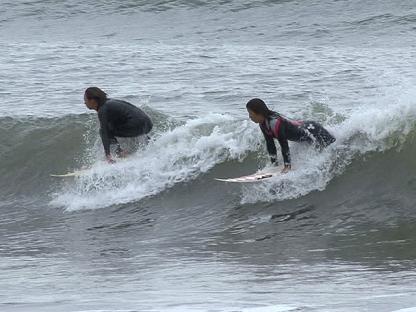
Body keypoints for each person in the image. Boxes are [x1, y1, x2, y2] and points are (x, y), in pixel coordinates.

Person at [246, 98, 335, 173]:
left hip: (313, 130)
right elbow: (270, 145)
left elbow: (284, 145)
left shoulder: (275, 123)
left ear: (259, 113)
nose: (250, 117)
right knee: (322, 150)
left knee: (333, 146)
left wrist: (287, 166)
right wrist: (274, 165)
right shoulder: (263, 124)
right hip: (306, 134)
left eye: (251, 114)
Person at [84, 87, 153, 163]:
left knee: (104, 131)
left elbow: (104, 132)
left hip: (138, 125)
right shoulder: (109, 103)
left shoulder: (103, 109)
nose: (85, 103)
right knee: (112, 125)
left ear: (93, 100)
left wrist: (107, 154)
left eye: (85, 100)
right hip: (147, 124)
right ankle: (150, 145)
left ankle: (116, 155)